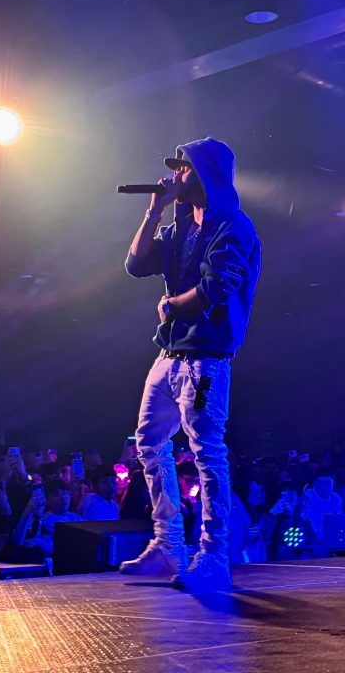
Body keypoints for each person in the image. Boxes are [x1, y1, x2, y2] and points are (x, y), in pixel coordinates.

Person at [119, 137, 262, 592]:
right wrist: (153, 212)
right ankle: (167, 546)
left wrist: (170, 306)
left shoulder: (233, 226)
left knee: (206, 451)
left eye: (182, 167)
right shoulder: (180, 226)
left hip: (206, 361)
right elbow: (135, 264)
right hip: (168, 356)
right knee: (149, 443)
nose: (175, 175)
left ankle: (214, 556)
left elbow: (216, 289)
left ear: (203, 173)